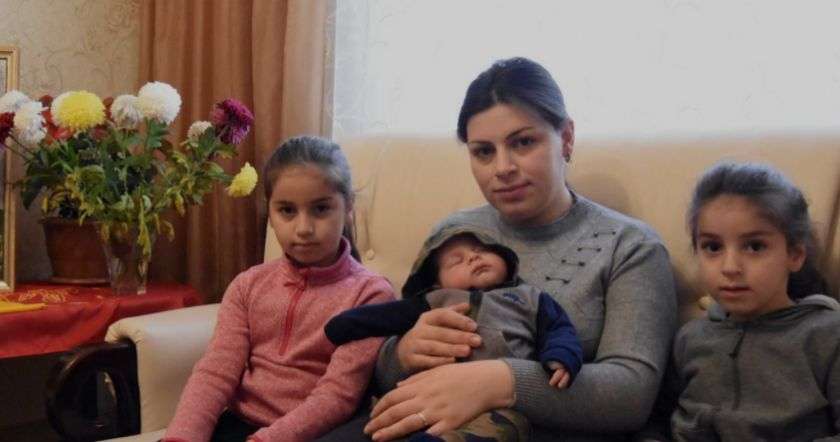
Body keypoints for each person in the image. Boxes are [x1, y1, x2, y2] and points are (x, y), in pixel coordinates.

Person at [316, 57, 677, 442]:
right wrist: (403, 353)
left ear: (567, 137)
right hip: (413, 422)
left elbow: (631, 394)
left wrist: (501, 381)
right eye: (483, 152)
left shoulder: (630, 246)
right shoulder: (454, 234)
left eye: (523, 142)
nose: (502, 168)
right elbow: (386, 360)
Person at [162, 136, 395, 442]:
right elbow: (216, 371)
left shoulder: (371, 295)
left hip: (318, 433)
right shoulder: (248, 285)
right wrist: (183, 436)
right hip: (240, 424)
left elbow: (338, 395)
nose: (304, 228)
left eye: (321, 209)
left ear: (348, 205)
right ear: (270, 213)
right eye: (287, 210)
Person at [637, 162, 839, 441]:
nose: (730, 267)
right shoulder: (690, 338)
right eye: (713, 247)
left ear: (794, 255)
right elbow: (656, 422)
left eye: (754, 246)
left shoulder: (827, 335)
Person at [326, 229, 584, 441]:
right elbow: (384, 316)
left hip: (497, 408)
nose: (473, 257)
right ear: (437, 283)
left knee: (503, 429)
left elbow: (559, 329)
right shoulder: (435, 300)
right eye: (456, 260)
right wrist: (343, 324)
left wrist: (561, 356)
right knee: (376, 425)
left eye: (482, 250)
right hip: (418, 396)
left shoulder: (530, 298)